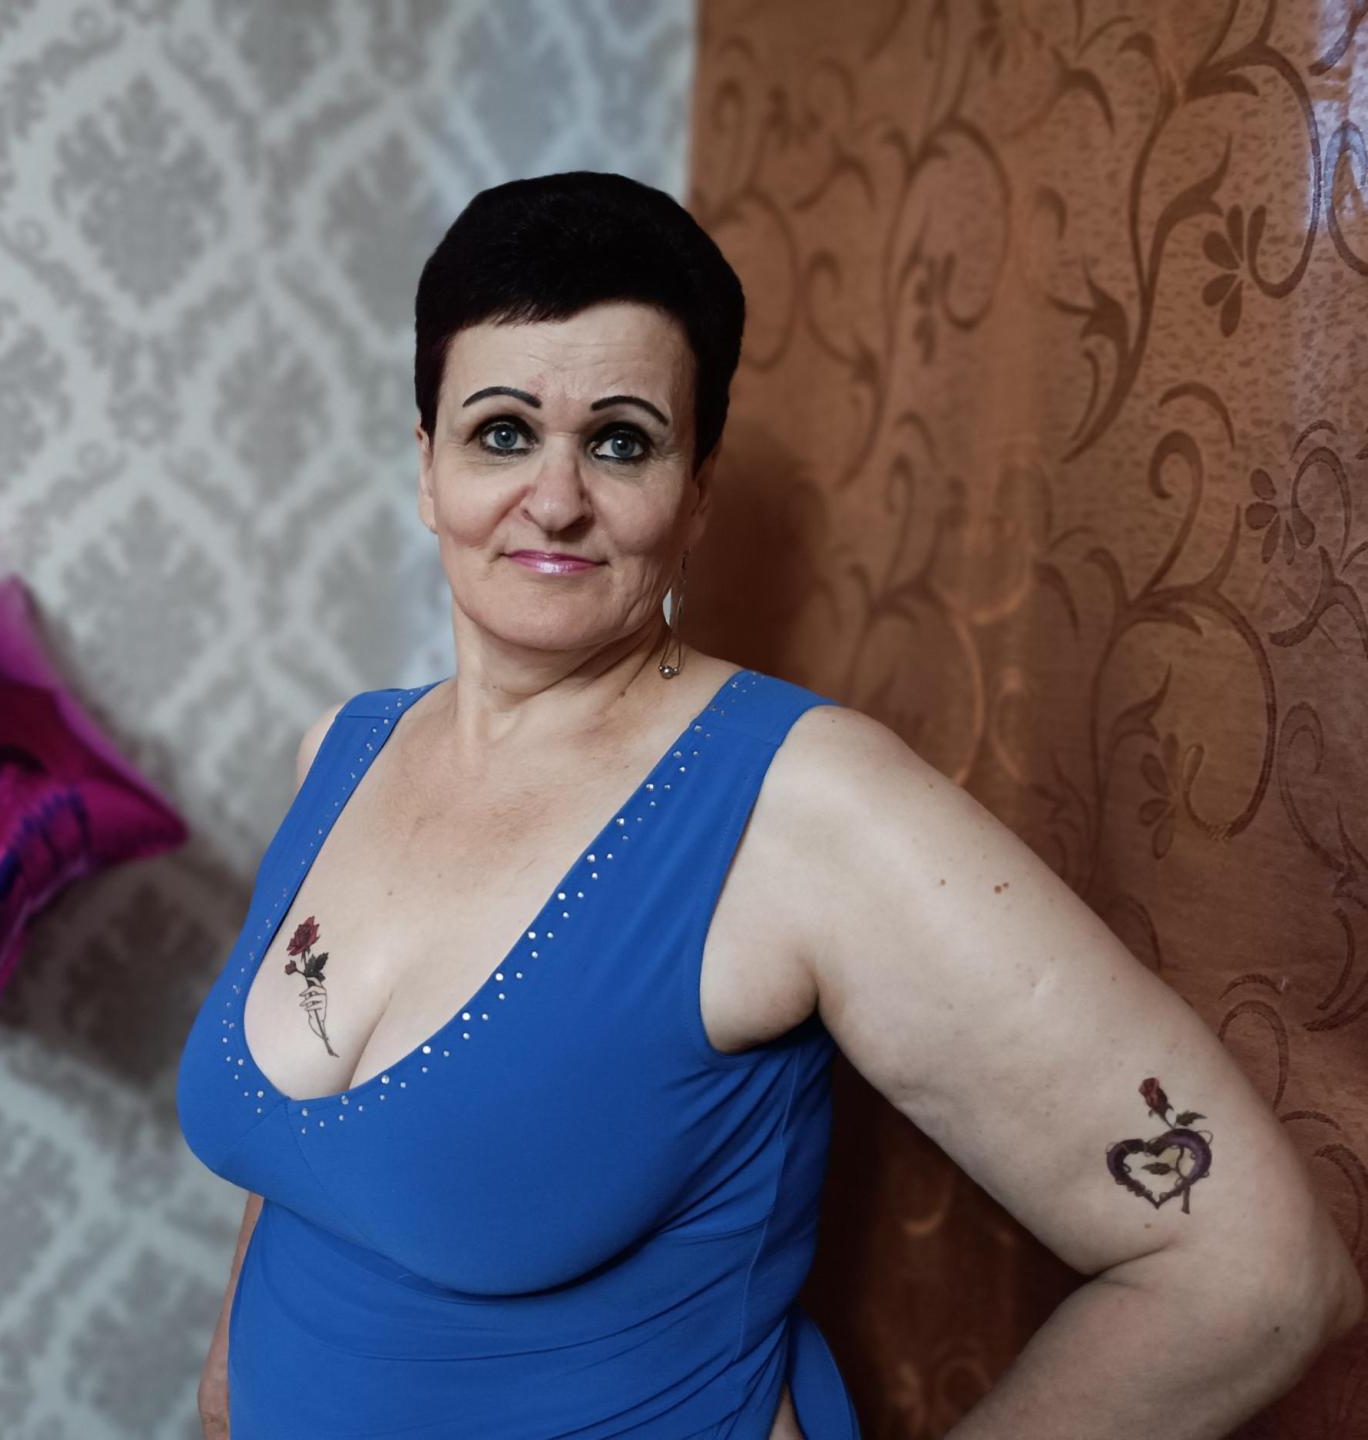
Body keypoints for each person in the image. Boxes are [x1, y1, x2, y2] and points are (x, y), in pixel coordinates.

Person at [175, 171, 1362, 1438]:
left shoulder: (801, 811)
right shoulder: (343, 751)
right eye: (503, 432)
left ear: (696, 492)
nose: (556, 497)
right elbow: (294, 1182)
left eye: (621, 441)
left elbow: (1258, 1278)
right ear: (427, 468)